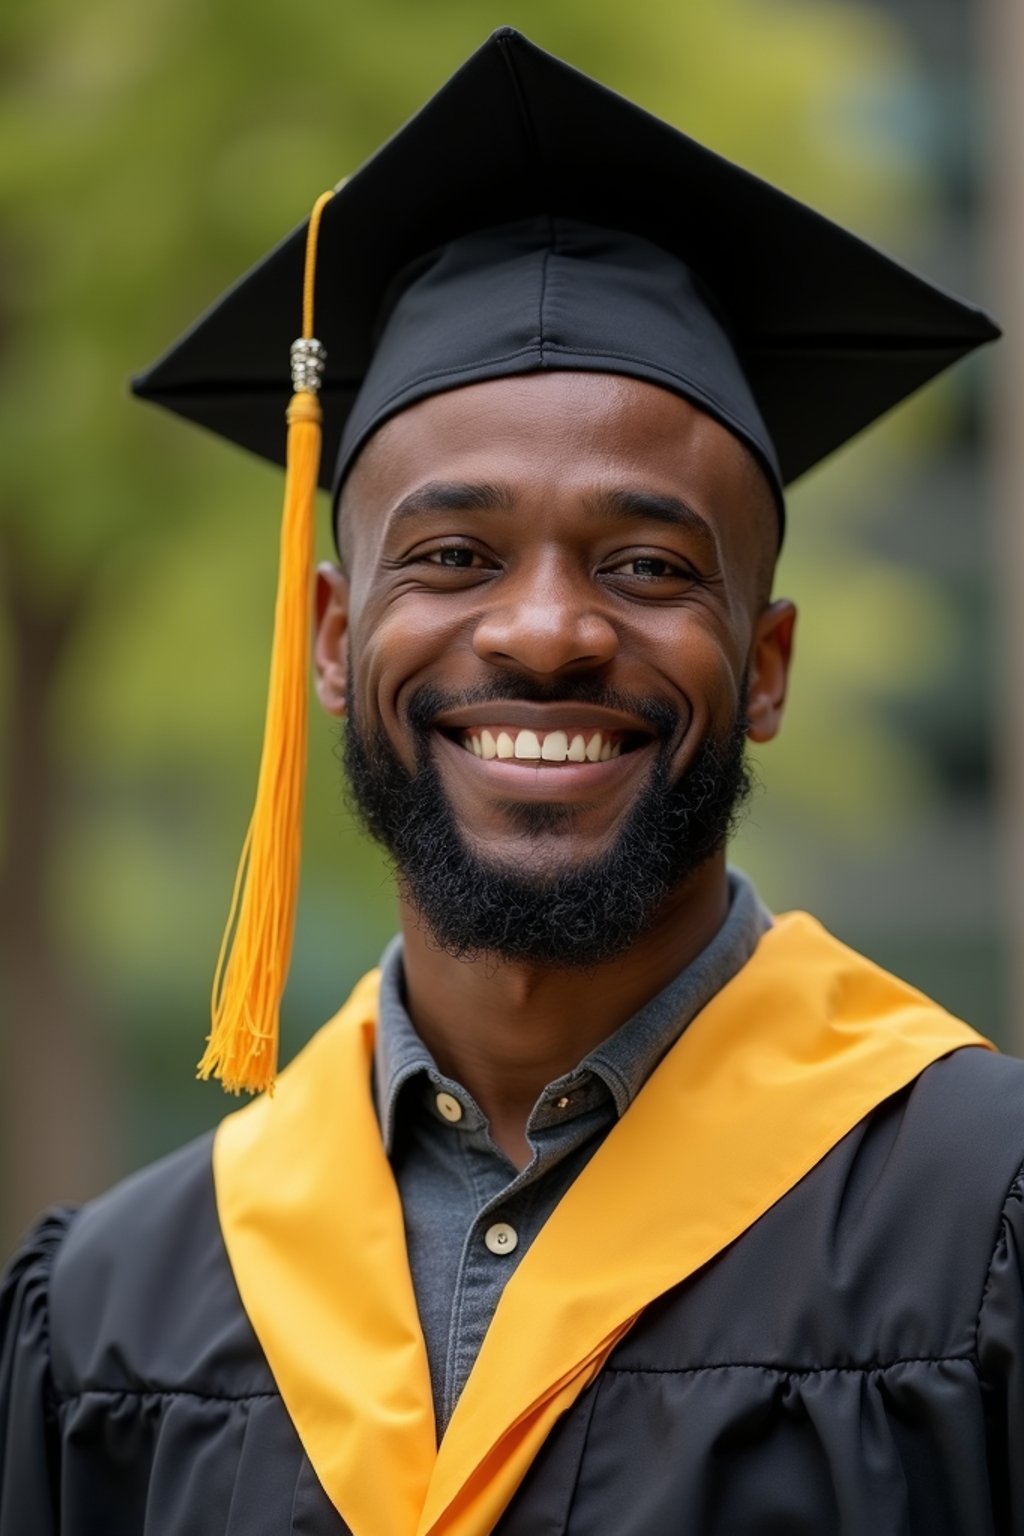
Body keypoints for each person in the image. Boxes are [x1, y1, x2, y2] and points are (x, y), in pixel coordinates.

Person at [0, 28, 1019, 1536]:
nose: (547, 630)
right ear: (337, 638)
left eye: (649, 565)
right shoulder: (113, 1311)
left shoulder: (983, 1217)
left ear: (771, 665)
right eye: (455, 557)